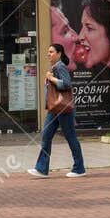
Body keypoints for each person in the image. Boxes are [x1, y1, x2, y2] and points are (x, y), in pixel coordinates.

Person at [29, 42, 85, 177]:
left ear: (59, 54)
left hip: (64, 108)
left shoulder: (60, 67)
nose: (49, 54)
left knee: (71, 137)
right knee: (46, 135)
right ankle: (41, 169)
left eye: (51, 52)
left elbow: (66, 84)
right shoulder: (54, 67)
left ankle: (79, 169)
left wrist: (51, 79)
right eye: (48, 52)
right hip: (54, 108)